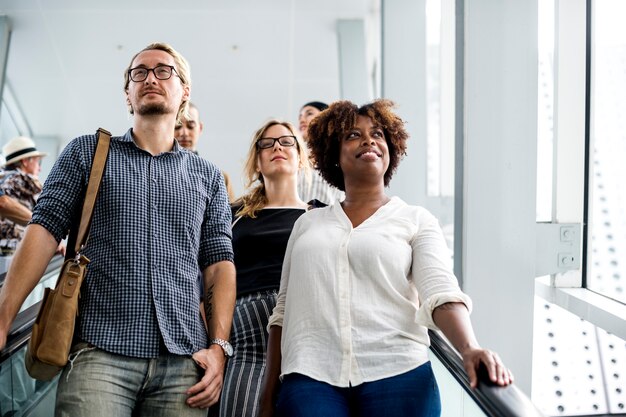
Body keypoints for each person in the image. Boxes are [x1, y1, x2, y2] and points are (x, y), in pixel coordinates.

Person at [0, 42, 236, 416]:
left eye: (164, 70)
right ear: (128, 95)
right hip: (98, 354)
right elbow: (43, 229)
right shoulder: (86, 153)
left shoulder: (207, 177)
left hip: (183, 362)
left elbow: (219, 264)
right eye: (138, 73)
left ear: (185, 92)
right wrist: (3, 318)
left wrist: (220, 346)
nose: (149, 78)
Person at [259, 99, 514, 417]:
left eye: (377, 134)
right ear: (334, 156)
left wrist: (469, 348)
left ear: (390, 149)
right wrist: (268, 394)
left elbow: (440, 292)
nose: (368, 140)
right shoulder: (307, 224)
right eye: (353, 135)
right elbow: (283, 312)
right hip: (310, 376)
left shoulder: (416, 219)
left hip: (399, 373)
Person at [219, 120, 312, 417]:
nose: (277, 148)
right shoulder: (233, 214)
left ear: (300, 158)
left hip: (305, 346)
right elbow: (209, 272)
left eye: (286, 142)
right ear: (257, 161)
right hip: (247, 344)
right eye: (267, 143)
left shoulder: (319, 214)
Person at [174, 101, 235, 202]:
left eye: (191, 126)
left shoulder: (219, 178)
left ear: (200, 128)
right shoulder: (156, 173)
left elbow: (230, 217)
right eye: (177, 126)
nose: (184, 133)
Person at [0, 136, 47, 255]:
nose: (40, 168)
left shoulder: (4, 178)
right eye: (37, 161)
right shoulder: (26, 181)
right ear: (25, 161)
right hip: (13, 253)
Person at [296, 101, 344, 205]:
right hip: (296, 218)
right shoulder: (293, 159)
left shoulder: (341, 157)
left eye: (309, 113)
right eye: (300, 116)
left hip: (331, 218)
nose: (302, 120)